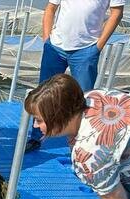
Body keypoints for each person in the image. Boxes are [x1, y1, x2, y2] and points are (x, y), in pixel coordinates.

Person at [25, 0, 124, 153]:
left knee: (83, 98)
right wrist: (47, 40)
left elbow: (116, 13)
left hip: (86, 49)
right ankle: (36, 136)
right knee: (43, 94)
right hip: (55, 47)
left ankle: (79, 145)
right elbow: (51, 8)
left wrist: (98, 46)